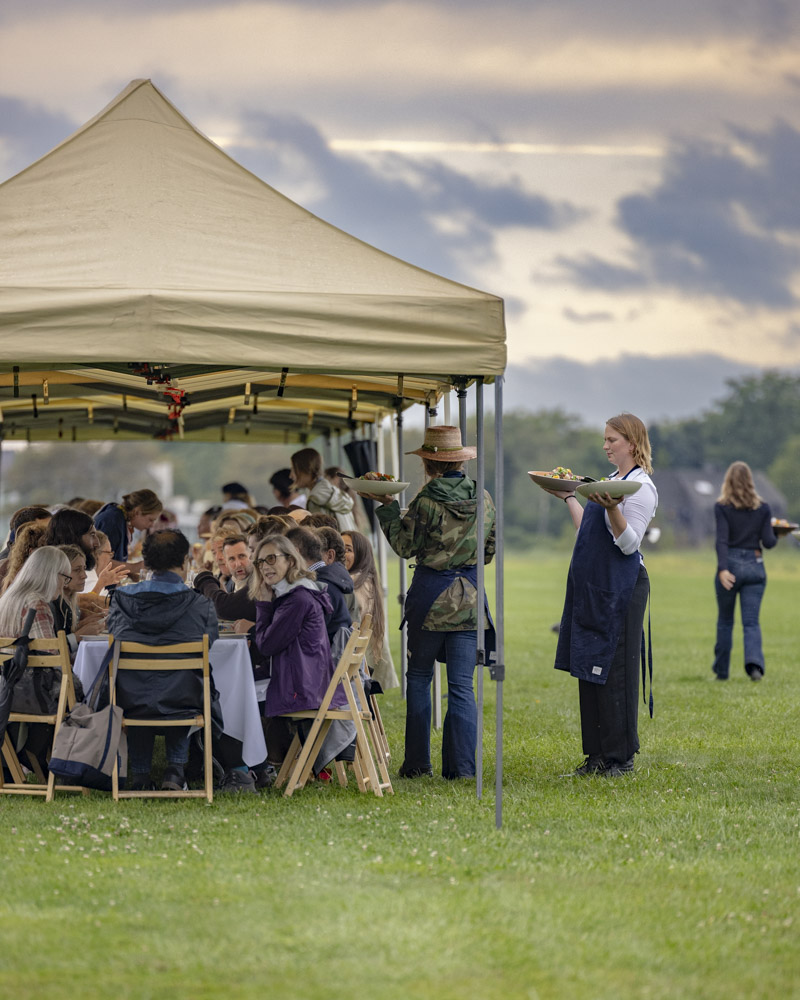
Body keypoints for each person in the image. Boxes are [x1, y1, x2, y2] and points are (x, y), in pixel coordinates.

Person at [371, 425, 496, 780]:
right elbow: (489, 551)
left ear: (429, 464)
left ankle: (417, 764)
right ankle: (462, 770)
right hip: (470, 602)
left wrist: (388, 508)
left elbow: (404, 547)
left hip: (428, 603)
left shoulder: (425, 501)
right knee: (461, 686)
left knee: (420, 677)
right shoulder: (484, 498)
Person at [551, 412, 658, 777]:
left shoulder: (640, 487)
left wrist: (613, 508)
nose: (606, 445)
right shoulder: (609, 481)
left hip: (623, 588)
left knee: (617, 670)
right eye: (605, 439)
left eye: (612, 439)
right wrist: (569, 497)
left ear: (631, 442)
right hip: (596, 585)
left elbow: (629, 543)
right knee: (589, 665)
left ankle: (621, 757)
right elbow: (589, 529)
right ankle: (596, 755)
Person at [106, 528, 221, 792]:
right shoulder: (200, 605)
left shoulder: (120, 601)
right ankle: (175, 770)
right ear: (185, 561)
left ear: (145, 563)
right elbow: (209, 644)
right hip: (184, 699)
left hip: (129, 698)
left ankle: (142, 775)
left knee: (139, 683)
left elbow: (113, 638)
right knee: (182, 681)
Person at [250, 534, 345, 767]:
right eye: (260, 562)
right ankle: (262, 764)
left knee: (233, 693)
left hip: (302, 686)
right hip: (306, 679)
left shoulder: (297, 599)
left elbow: (266, 645)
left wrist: (263, 605)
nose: (265, 567)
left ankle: (255, 767)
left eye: (271, 559)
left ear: (291, 561)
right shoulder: (297, 592)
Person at [0, 546, 74, 770]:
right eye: (65, 577)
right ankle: (69, 763)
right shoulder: (38, 603)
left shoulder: (7, 599)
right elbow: (51, 658)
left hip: (5, 690)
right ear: (52, 575)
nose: (65, 584)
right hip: (32, 695)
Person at [712, 461, 778, 682]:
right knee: (751, 622)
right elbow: (768, 542)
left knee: (725, 621)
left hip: (730, 567)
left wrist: (723, 569)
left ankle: (722, 672)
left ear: (728, 482)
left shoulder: (722, 507)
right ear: (751, 482)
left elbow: (721, 541)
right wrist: (778, 532)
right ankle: (754, 667)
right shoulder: (763, 508)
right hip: (754, 566)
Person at [342, 529, 399, 692]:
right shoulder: (368, 580)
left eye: (348, 550)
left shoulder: (352, 584)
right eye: (340, 548)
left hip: (348, 665)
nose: (342, 554)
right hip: (361, 667)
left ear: (361, 554)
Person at [52, 544, 105, 654]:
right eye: (77, 570)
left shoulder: (69, 602)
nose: (84, 575)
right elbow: (52, 650)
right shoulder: (51, 603)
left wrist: (82, 625)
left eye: (84, 569)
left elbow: (65, 632)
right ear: (61, 573)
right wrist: (79, 634)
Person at [290, 447, 356, 531]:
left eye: (294, 469)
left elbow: (321, 537)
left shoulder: (316, 499)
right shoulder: (333, 491)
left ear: (306, 469)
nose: (291, 475)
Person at [93, 489, 163, 566]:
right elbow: (102, 562)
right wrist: (134, 567)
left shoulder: (121, 519)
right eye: (150, 520)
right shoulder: (113, 521)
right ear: (137, 512)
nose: (152, 525)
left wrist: (131, 574)